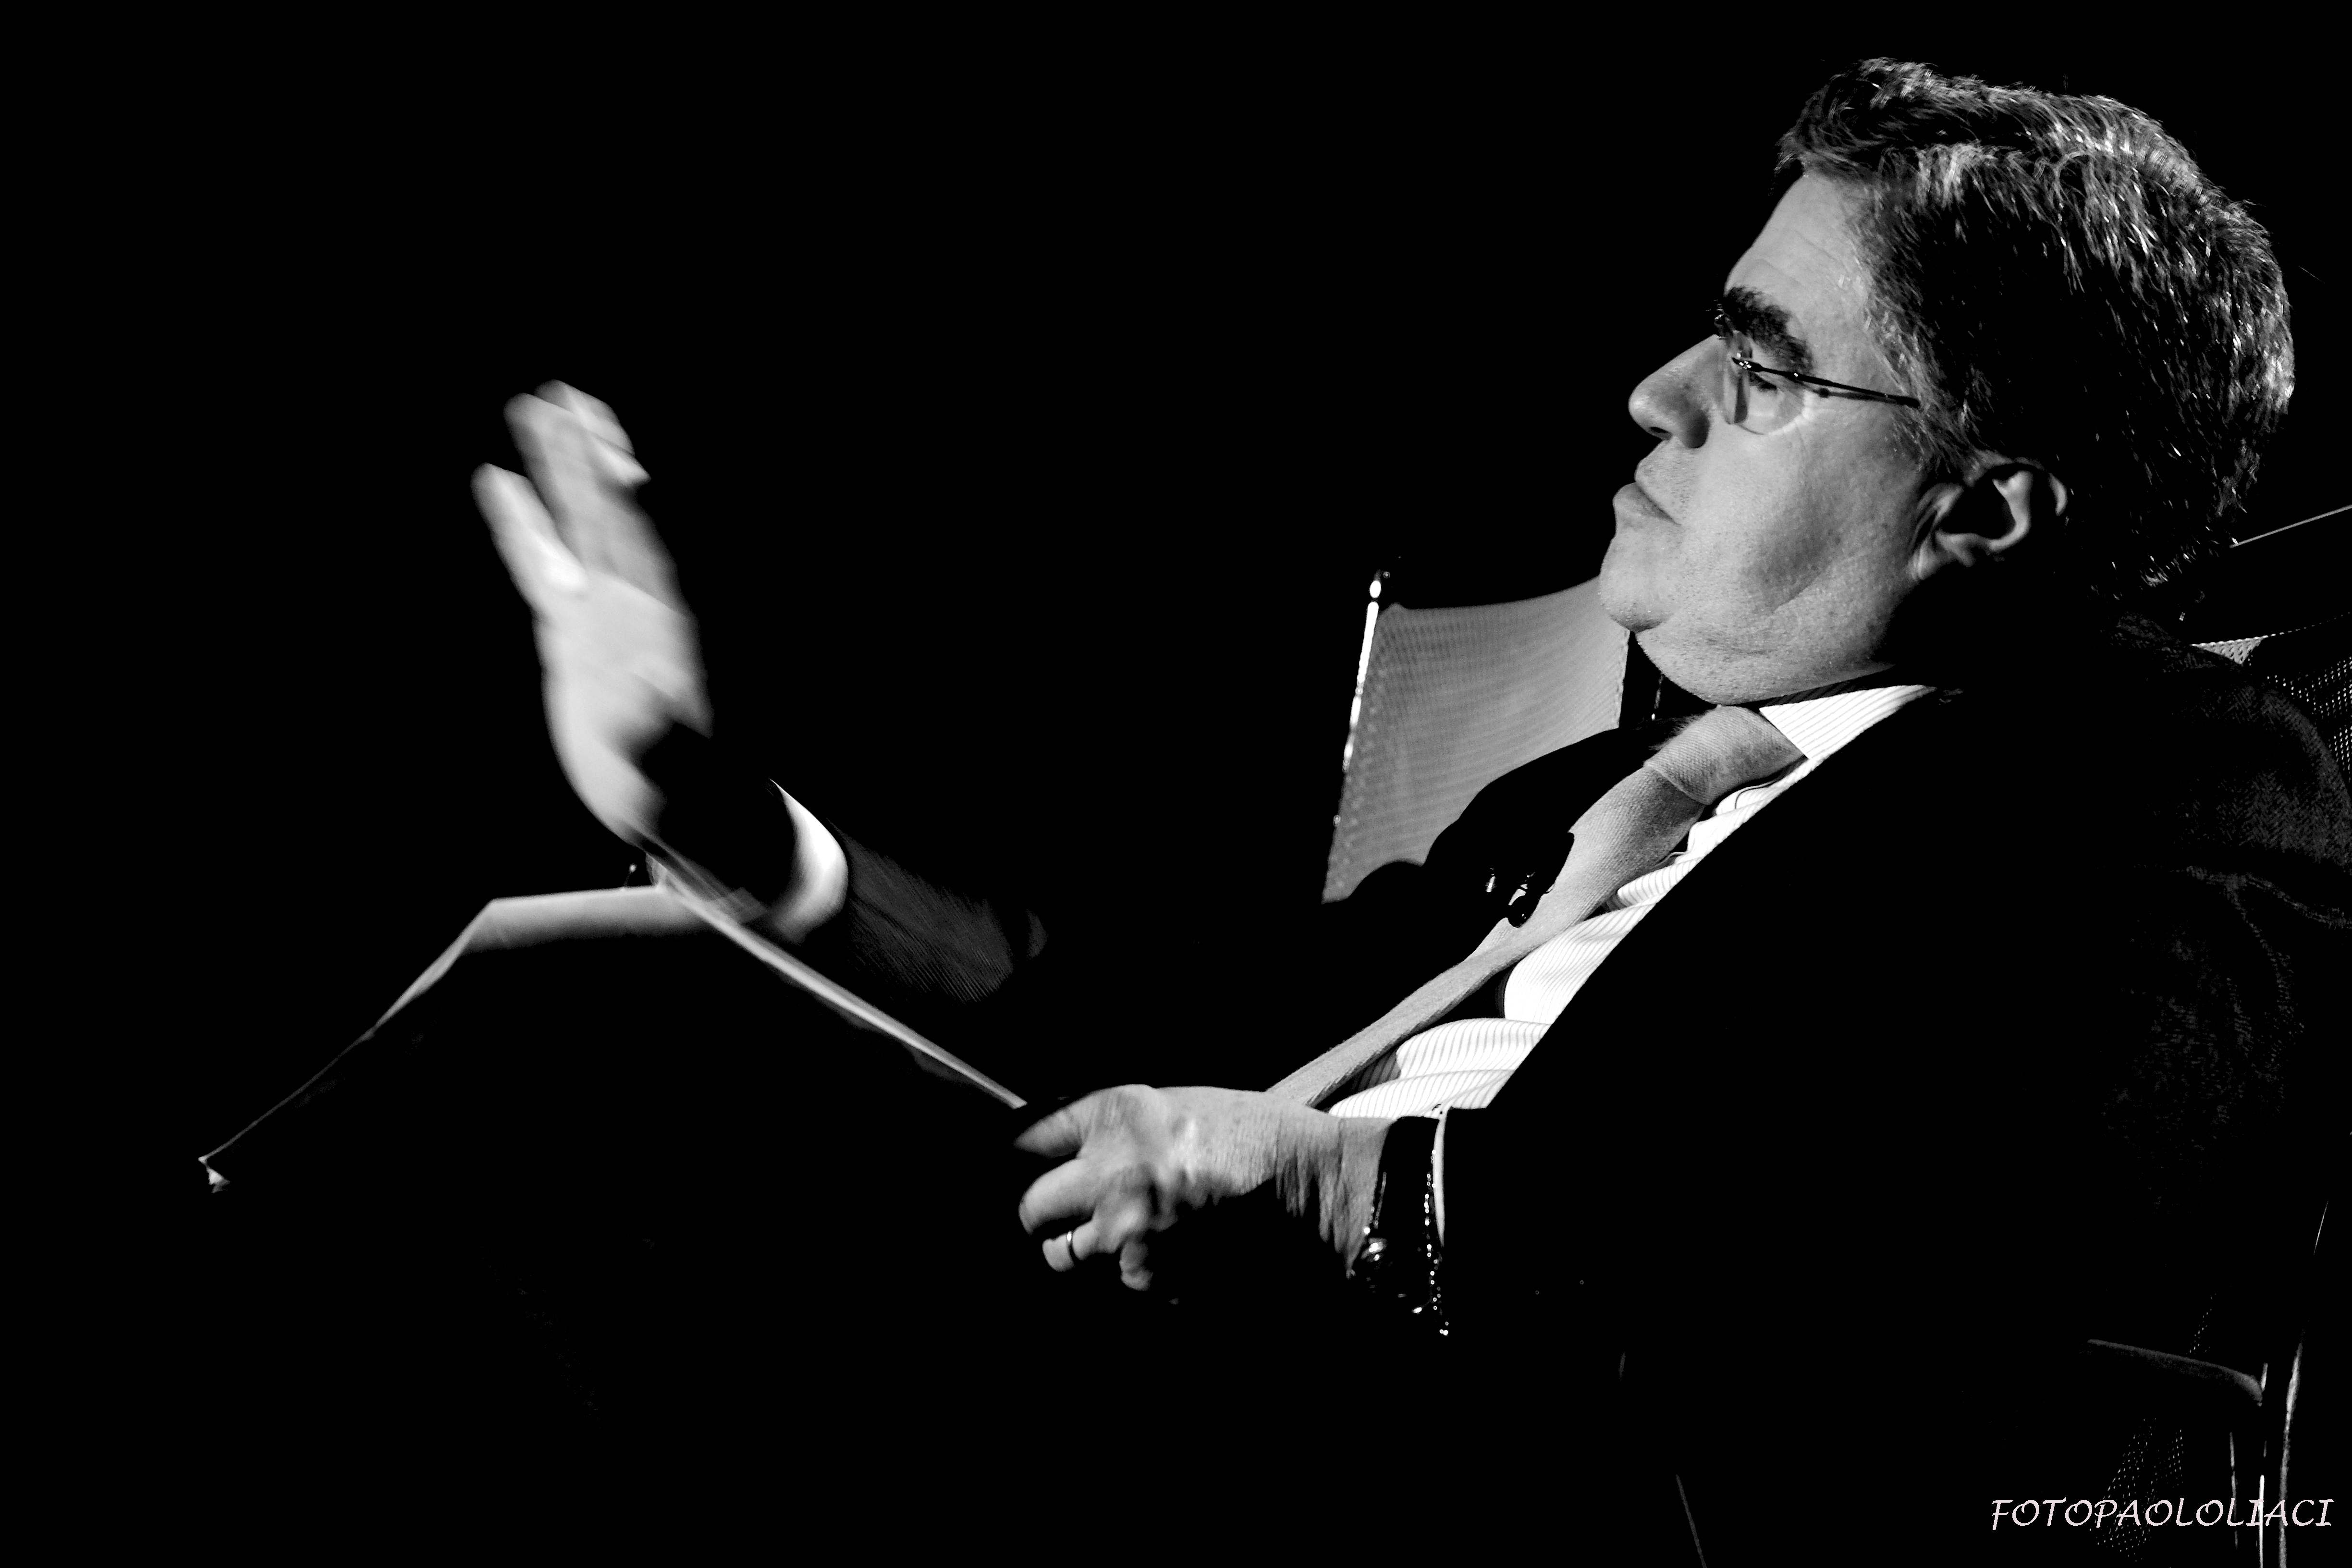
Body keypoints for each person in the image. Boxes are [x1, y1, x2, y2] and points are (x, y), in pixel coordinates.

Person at [205, 59, 2346, 1552]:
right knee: (513, 1094)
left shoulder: (2186, 770)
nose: (1655, 395)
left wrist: (1352, 1200)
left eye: (1763, 366)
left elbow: (2000, 1222)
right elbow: (1173, 1033)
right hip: (1134, 1412)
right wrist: (730, 824)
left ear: (1985, 506)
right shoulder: (1601, 792)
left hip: (1459, 1498)